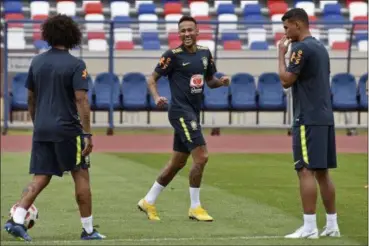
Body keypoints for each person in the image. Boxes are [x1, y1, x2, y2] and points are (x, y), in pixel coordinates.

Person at [4, 14, 105, 241]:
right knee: (81, 175)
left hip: (42, 128)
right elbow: (81, 101)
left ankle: (17, 219)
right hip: (68, 129)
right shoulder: (76, 64)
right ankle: (88, 230)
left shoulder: (37, 62)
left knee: (41, 177)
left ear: (48, 35)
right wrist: (87, 134)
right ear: (72, 36)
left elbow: (30, 97)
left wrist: (37, 121)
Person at [137, 15, 230, 222]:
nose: (186, 34)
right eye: (183, 31)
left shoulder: (206, 53)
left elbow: (210, 81)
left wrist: (221, 82)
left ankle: (148, 200)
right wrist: (156, 97)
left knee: (177, 163)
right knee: (202, 156)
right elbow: (152, 79)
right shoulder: (172, 55)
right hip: (180, 112)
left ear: (197, 32)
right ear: (178, 34)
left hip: (193, 112)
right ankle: (195, 207)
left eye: (190, 30)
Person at [277, 8, 340, 239]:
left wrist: (281, 53)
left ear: (297, 24)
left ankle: (310, 226)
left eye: (286, 27)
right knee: (322, 173)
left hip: (308, 118)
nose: (285, 32)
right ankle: (332, 225)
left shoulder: (301, 48)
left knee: (305, 170)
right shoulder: (320, 47)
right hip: (324, 117)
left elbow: (286, 80)